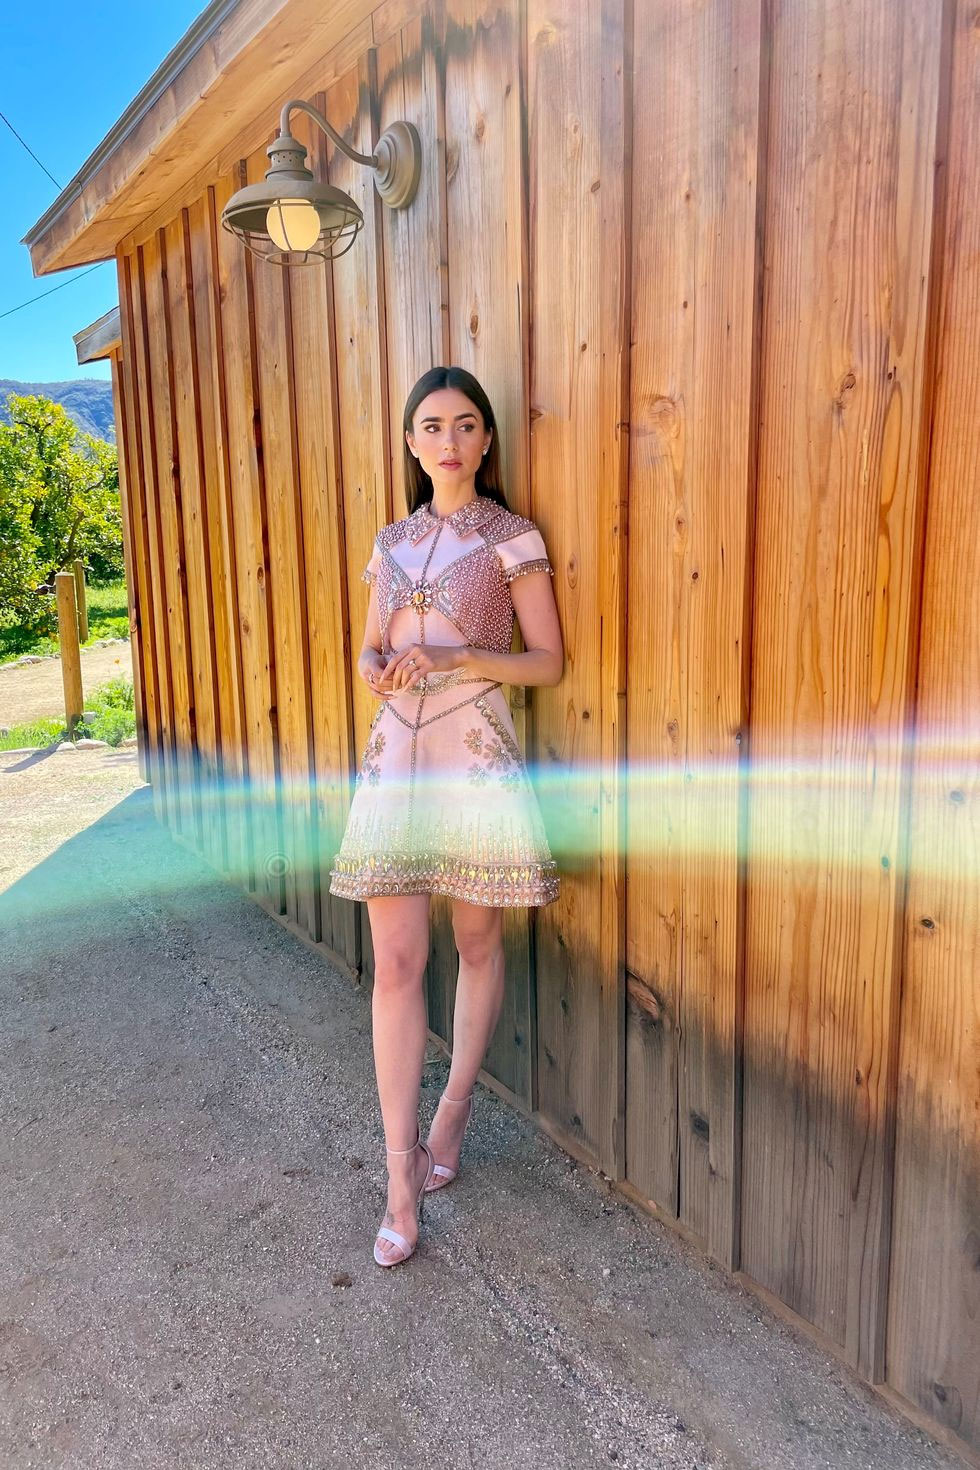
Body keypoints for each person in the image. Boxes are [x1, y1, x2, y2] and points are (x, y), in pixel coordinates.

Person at [328, 364, 564, 1267]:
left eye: (466, 424)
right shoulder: (391, 542)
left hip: (475, 759)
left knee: (474, 942)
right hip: (396, 761)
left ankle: (453, 1114)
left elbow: (548, 662)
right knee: (394, 962)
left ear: (486, 438)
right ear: (411, 441)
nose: (450, 440)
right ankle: (400, 1179)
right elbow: (368, 647)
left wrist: (463, 654)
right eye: (432, 426)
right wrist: (372, 668)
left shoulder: (512, 537)